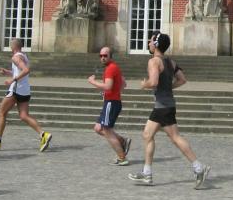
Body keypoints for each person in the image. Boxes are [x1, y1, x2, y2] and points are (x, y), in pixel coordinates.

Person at [128, 32, 210, 188]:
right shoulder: (171, 62)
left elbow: (153, 82)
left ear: (156, 44)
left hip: (162, 106)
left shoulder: (154, 61)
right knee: (148, 135)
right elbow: (182, 79)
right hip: (166, 105)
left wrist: (144, 84)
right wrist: (168, 87)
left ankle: (199, 167)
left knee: (174, 138)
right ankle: (147, 173)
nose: (149, 43)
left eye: (151, 41)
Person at [0, 39, 52, 152]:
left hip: (16, 89)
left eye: (10, 45)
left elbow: (26, 70)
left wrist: (12, 80)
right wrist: (8, 72)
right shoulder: (23, 56)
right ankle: (43, 134)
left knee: (1, 113)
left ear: (13, 47)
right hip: (25, 90)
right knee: (23, 115)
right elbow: (20, 71)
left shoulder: (15, 57)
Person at [88, 47, 131, 165]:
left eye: (105, 56)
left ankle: (122, 158)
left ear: (110, 56)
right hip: (112, 101)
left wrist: (92, 82)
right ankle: (122, 141)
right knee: (98, 128)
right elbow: (123, 83)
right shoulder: (114, 67)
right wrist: (113, 91)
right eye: (101, 56)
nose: (102, 58)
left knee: (106, 131)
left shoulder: (110, 69)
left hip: (111, 103)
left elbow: (108, 86)